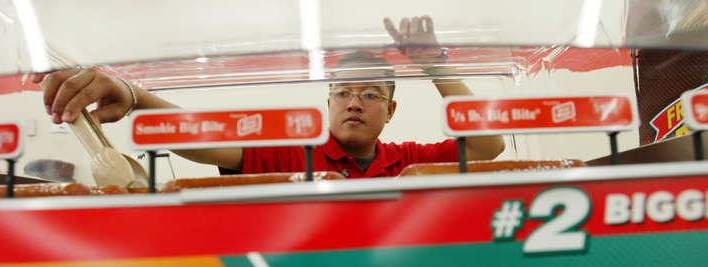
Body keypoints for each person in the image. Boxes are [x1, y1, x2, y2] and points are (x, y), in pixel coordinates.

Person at [32, 16, 504, 178]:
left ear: (390, 110)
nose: (354, 102)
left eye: (369, 93)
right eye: (342, 92)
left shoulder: (408, 160)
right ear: (328, 102)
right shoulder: (290, 153)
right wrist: (132, 95)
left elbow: (489, 146)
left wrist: (434, 65)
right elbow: (208, 137)